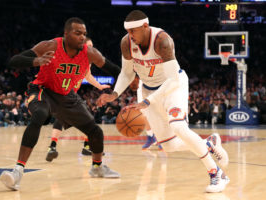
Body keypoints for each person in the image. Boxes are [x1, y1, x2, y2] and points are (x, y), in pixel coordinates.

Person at [97, 10, 229, 193]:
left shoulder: (161, 40)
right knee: (169, 145)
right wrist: (115, 93)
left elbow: (173, 79)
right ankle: (208, 143)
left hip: (173, 87)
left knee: (179, 127)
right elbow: (127, 73)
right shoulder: (126, 43)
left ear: (145, 26)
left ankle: (217, 173)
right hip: (148, 90)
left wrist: (148, 101)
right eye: (128, 31)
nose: (130, 35)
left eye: (134, 31)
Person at [0, 17, 121, 191]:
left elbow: (114, 70)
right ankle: (17, 172)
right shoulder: (50, 46)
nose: (82, 37)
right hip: (42, 89)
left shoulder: (90, 53)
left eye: (84, 34)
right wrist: (36, 61)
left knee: (95, 131)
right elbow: (14, 61)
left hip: (66, 95)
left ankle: (97, 167)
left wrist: (130, 81)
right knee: (40, 114)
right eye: (77, 33)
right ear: (66, 34)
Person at [46, 37, 110, 161]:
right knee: (88, 119)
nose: (92, 48)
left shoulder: (85, 60)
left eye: (92, 46)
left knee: (60, 119)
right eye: (89, 46)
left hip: (63, 95)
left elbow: (88, 76)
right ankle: (87, 147)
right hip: (64, 93)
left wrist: (100, 86)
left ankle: (52, 147)